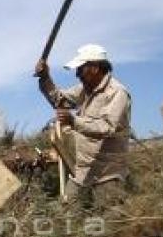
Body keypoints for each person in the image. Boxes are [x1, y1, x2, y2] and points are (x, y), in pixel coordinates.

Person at [35, 44, 132, 205]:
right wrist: (45, 78)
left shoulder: (117, 93)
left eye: (80, 69)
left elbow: (107, 127)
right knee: (66, 217)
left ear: (94, 68)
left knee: (108, 223)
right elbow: (59, 100)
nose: (77, 74)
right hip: (82, 172)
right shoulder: (85, 89)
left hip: (107, 175)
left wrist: (73, 121)